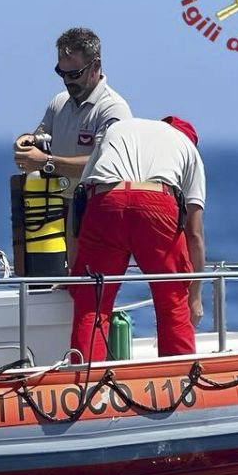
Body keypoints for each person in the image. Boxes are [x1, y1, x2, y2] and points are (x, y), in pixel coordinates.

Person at [67, 116, 206, 362]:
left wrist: (75, 271)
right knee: (172, 302)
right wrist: (194, 297)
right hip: (156, 203)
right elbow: (194, 233)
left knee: (92, 306)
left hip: (105, 201)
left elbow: (80, 201)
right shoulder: (188, 149)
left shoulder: (119, 129)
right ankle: (180, 382)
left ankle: (84, 386)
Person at [13, 27, 132, 259]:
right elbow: (39, 136)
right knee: (53, 280)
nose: (67, 80)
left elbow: (105, 166)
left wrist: (47, 162)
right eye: (62, 73)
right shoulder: (59, 103)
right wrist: (25, 144)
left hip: (96, 213)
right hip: (57, 210)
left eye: (74, 73)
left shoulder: (113, 109)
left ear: (95, 67)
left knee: (89, 284)